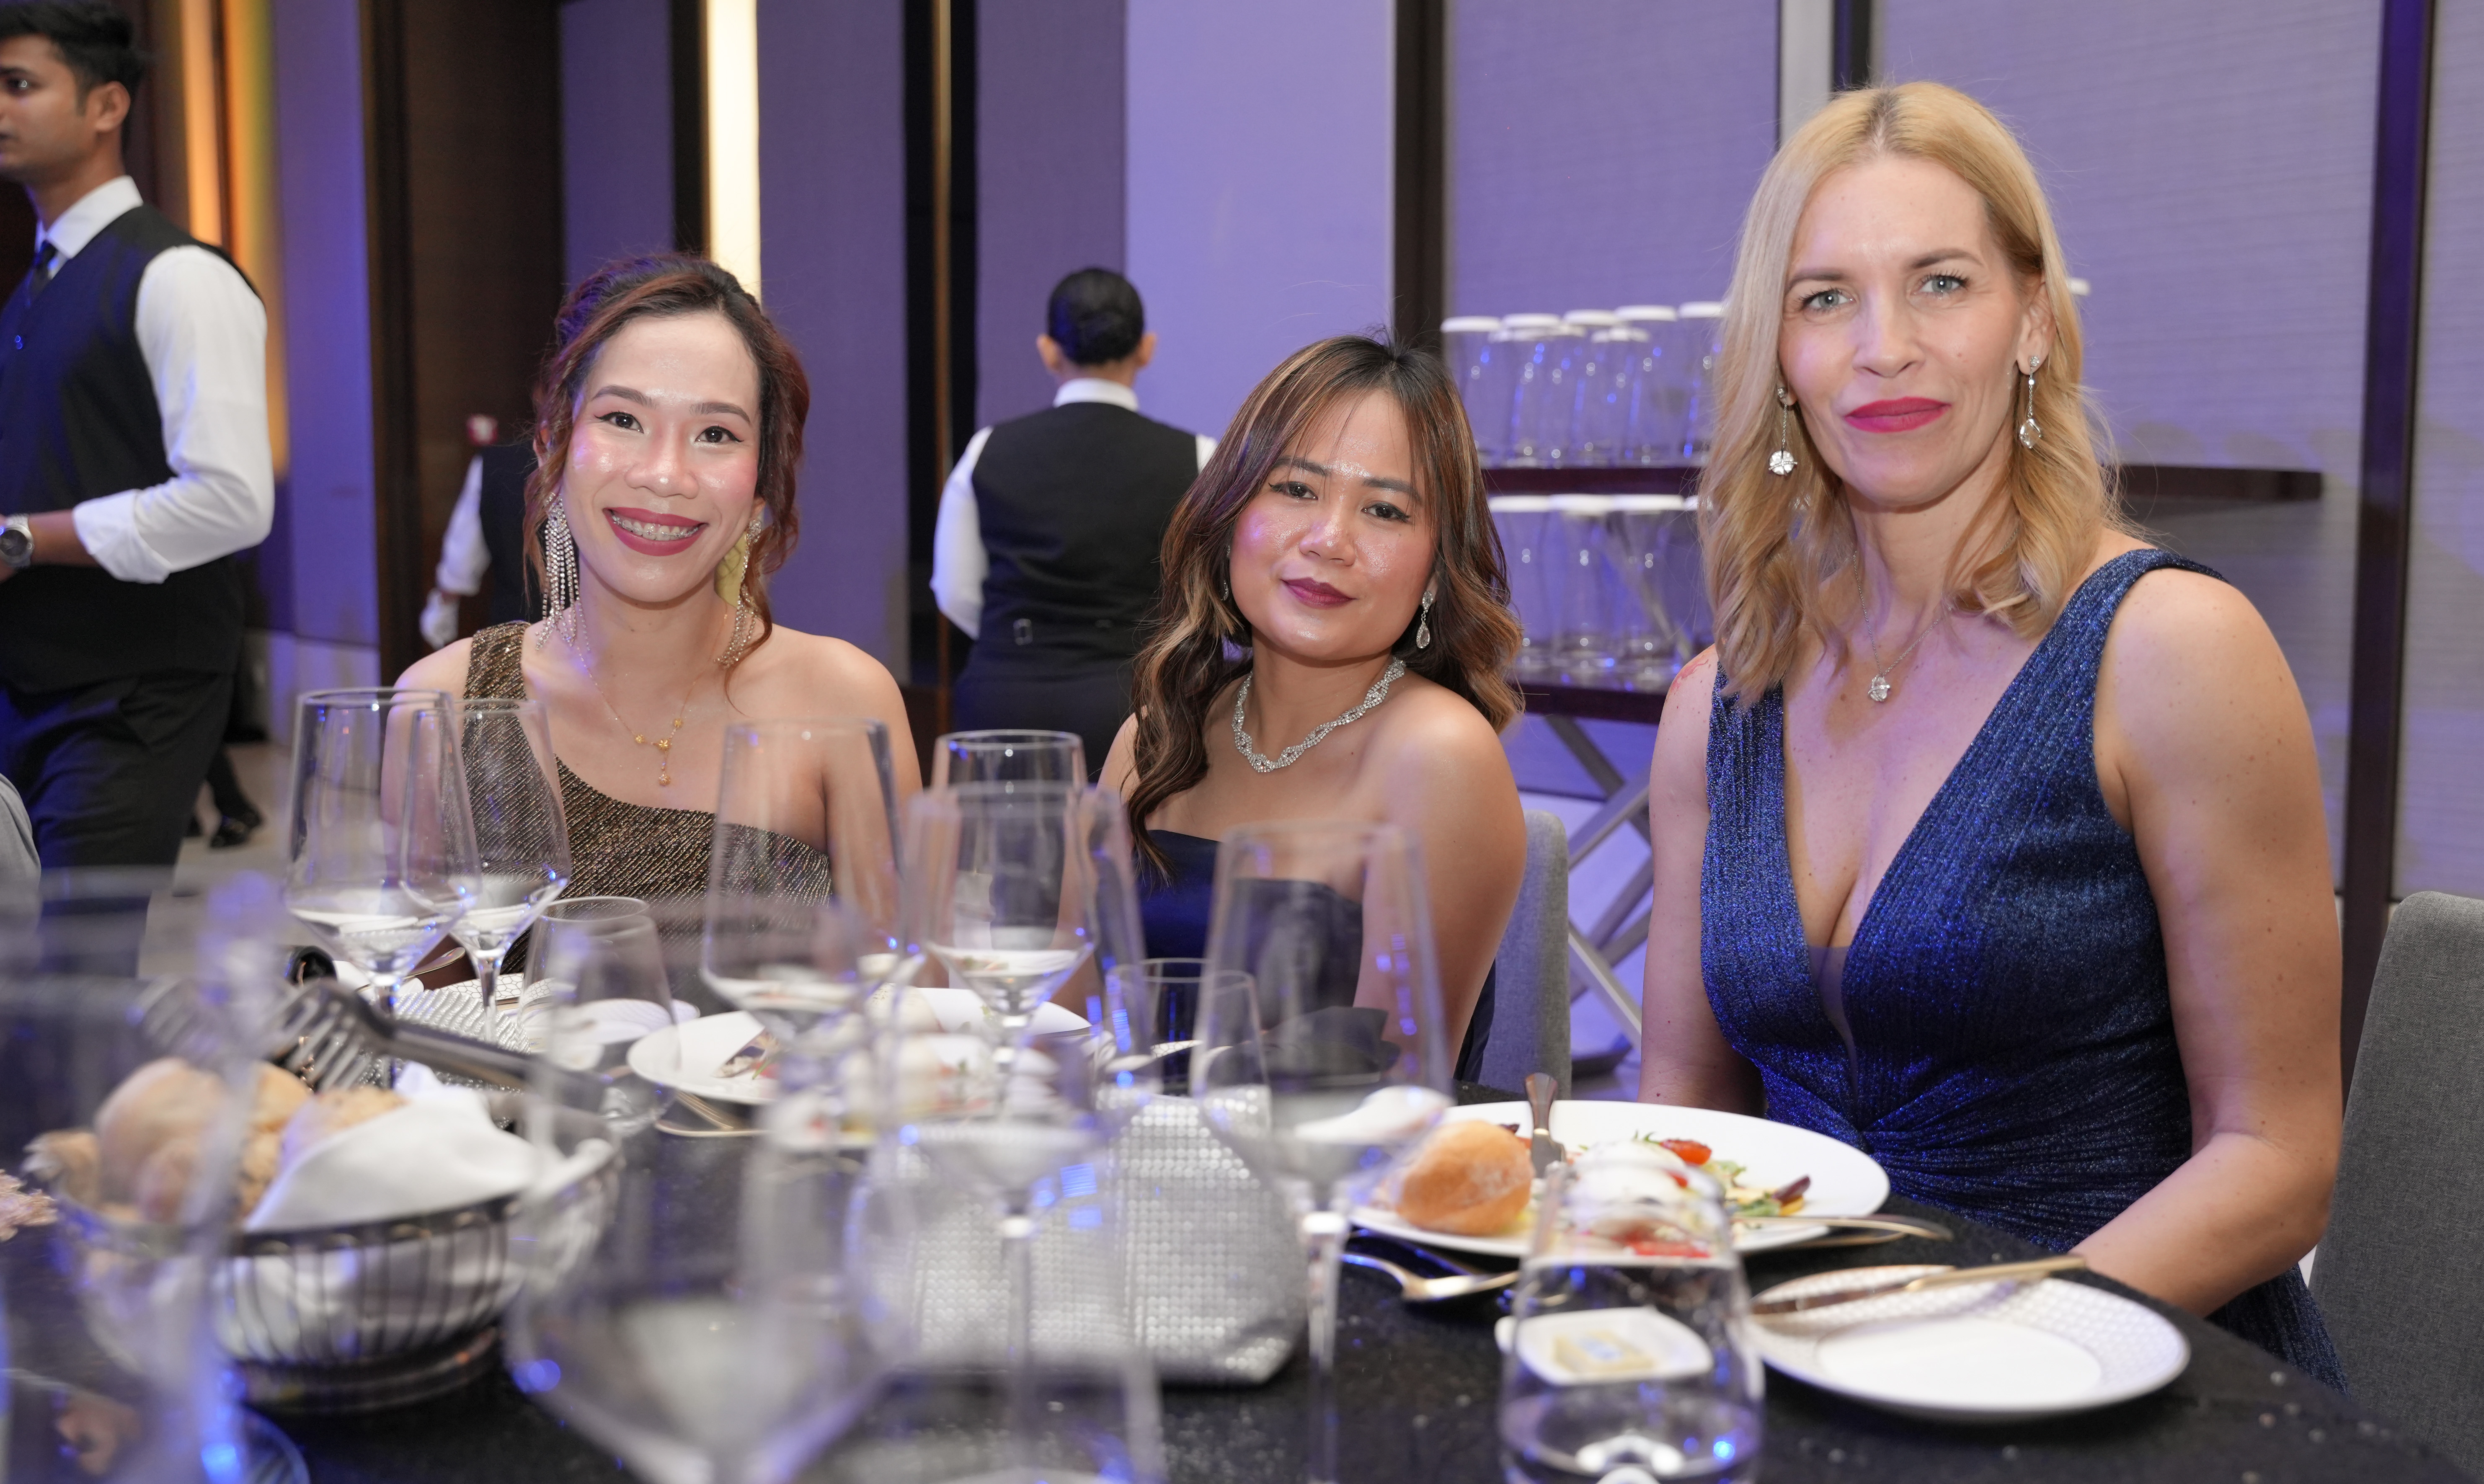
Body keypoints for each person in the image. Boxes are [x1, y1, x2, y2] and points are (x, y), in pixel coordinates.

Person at [1634, 83, 2342, 1382]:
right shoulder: (1715, 706)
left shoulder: (2168, 649)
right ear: (1776, 355)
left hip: (2129, 1377)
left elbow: (2275, 1160)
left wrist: (1977, 1347)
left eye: (1941, 284)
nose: (1883, 347)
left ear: (2032, 320)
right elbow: (1684, 1121)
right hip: (1808, 1370)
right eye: (1824, 298)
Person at [399, 254, 917, 906]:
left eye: (715, 433)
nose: (665, 474)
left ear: (759, 488)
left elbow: (905, 964)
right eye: (623, 420)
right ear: (553, 445)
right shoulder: (445, 706)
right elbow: (424, 968)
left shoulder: (842, 701)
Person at [1103, 334, 1525, 1083]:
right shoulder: (1154, 735)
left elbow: (1393, 1089)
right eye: (1297, 489)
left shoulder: (1439, 754)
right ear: (1229, 514)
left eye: (1385, 510)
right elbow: (1067, 1024)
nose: (1330, 541)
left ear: (1435, 571)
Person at [0, 3, 271, 893]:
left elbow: (232, 502)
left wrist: (21, 539)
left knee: (77, 951)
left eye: (18, 84)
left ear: (107, 106)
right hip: (29, 680)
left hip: (133, 692)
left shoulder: (178, 276)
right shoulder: (36, 288)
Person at [932, 268, 1212, 776]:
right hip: (1137, 698)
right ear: (1145, 349)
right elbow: (1208, 591)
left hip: (1006, 697)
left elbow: (954, 592)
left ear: (1048, 350)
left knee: (998, 832)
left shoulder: (986, 449)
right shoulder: (1197, 457)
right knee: (1128, 830)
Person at [421, 421, 542, 649]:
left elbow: (462, 560)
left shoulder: (497, 461)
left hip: (512, 636)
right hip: (589, 639)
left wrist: (442, 609)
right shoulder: (597, 463)